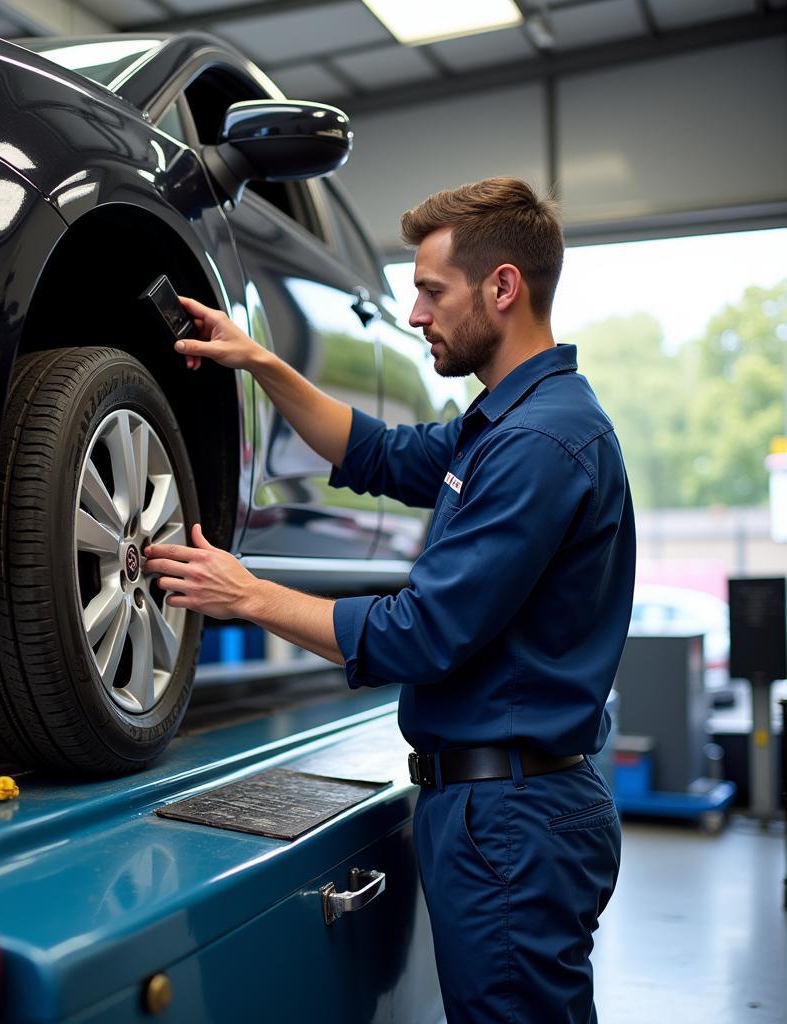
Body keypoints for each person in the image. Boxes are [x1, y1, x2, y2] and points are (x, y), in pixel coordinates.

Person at [143, 177, 634, 1023]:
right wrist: (259, 361)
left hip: (511, 818)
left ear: (503, 287)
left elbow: (419, 635)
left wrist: (248, 593)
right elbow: (373, 451)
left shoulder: (538, 445)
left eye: (431, 292)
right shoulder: (505, 424)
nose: (414, 314)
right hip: (496, 807)